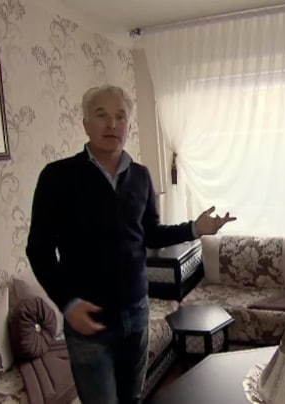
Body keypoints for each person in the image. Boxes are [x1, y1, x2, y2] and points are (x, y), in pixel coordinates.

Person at [26, 84, 235, 404]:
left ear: (128, 124)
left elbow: (150, 234)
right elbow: (38, 250)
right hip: (90, 321)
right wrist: (67, 304)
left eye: (120, 116)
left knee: (133, 398)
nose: (112, 124)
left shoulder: (140, 176)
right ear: (85, 124)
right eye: (102, 115)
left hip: (137, 311)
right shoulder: (58, 177)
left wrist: (195, 228)